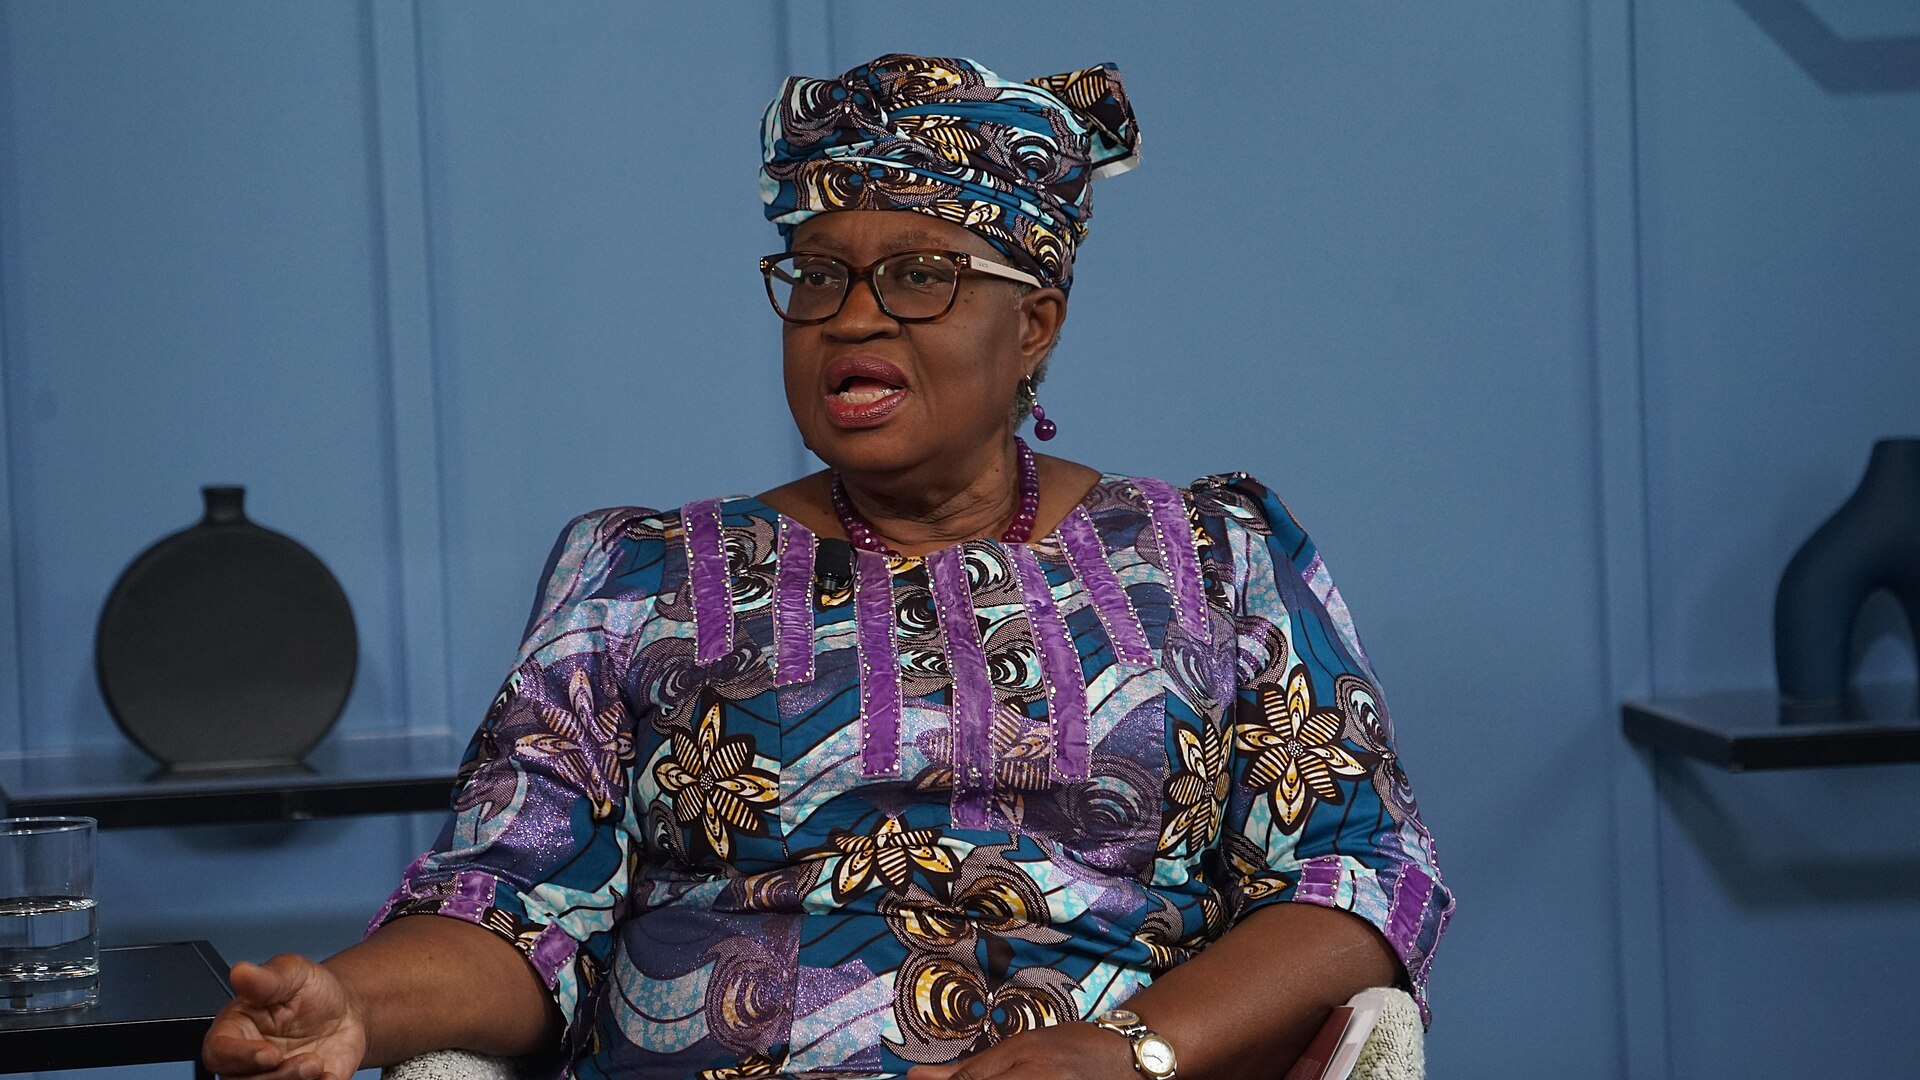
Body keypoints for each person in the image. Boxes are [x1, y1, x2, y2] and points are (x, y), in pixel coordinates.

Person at [202, 54, 1451, 1080]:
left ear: (1038, 323)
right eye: (819, 274)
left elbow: (1357, 882)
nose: (854, 314)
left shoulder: (1213, 559)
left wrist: (1135, 1051)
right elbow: (516, 905)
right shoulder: (637, 577)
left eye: (921, 275)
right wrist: (351, 1004)